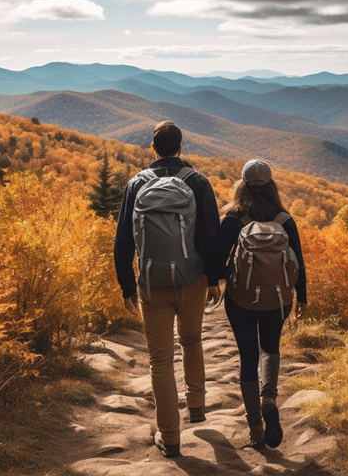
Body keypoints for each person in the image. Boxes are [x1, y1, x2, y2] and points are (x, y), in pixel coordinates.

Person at [114, 121, 222, 458]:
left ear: (153, 147)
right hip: (192, 279)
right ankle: (198, 406)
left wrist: (127, 284)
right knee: (191, 341)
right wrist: (214, 278)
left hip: (151, 282)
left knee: (160, 360)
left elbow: (123, 240)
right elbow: (211, 235)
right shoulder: (198, 182)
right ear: (179, 147)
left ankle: (170, 438)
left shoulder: (136, 184)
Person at [214, 159, 307, 450]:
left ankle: (255, 425)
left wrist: (214, 283)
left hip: (241, 298)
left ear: (241, 185)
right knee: (270, 348)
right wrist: (301, 297)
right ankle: (270, 399)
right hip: (278, 299)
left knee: (248, 356)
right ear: (271, 186)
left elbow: (217, 258)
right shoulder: (284, 219)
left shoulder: (233, 217)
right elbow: (299, 262)